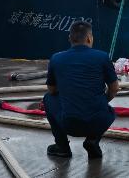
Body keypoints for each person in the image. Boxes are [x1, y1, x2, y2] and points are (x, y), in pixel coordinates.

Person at [43, 20, 119, 158]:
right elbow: (114, 89)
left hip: (69, 124)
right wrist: (102, 100)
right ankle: (93, 140)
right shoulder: (102, 57)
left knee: (48, 98)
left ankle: (62, 146)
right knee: (109, 111)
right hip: (99, 121)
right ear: (89, 38)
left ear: (70, 39)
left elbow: (52, 90)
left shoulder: (56, 59)